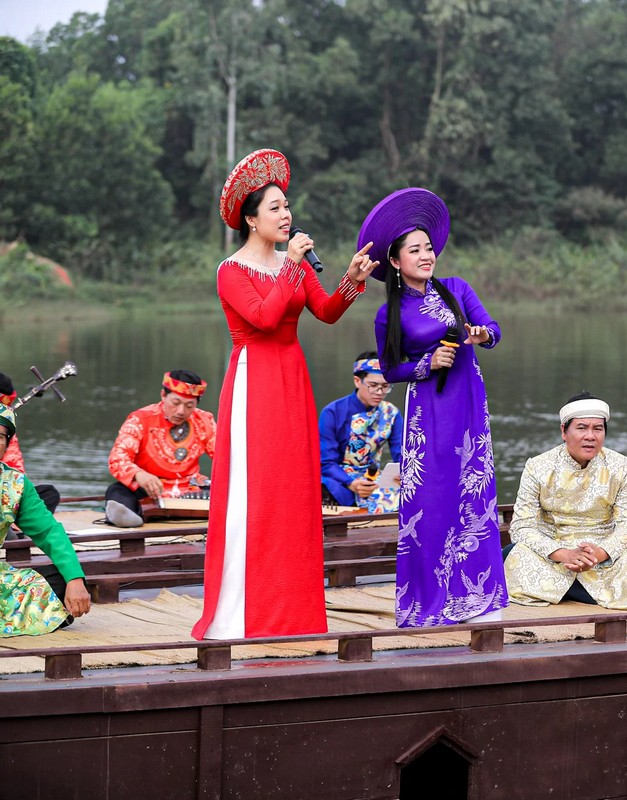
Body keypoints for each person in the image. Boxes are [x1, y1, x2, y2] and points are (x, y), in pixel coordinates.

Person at [192, 149, 379, 640]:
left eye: (287, 205)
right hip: (255, 380)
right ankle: (239, 614)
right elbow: (264, 318)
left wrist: (352, 282)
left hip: (292, 377)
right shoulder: (230, 271)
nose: (286, 214)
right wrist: (292, 266)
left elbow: (327, 310)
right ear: (251, 219)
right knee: (259, 491)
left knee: (294, 493)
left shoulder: (291, 263)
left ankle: (291, 613)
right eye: (274, 207)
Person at [361, 187, 507, 627]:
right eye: (415, 249)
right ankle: (428, 601)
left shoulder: (458, 290)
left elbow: (495, 328)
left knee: (473, 493)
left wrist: (482, 336)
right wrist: (426, 363)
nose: (426, 256)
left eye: (429, 247)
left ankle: (479, 599)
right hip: (428, 409)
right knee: (429, 496)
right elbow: (389, 369)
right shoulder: (389, 313)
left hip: (468, 404)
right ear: (395, 261)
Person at [504, 393, 627, 610]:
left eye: (597, 428)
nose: (590, 436)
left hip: (601, 557)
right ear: (564, 431)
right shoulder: (537, 466)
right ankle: (593, 592)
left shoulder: (620, 466)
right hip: (554, 556)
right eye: (582, 428)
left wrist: (599, 553)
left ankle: (559, 590)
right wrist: (564, 554)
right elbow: (521, 526)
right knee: (514, 552)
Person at [0, 405, 91, 635]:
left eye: (0, 436)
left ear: (7, 444)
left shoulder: (15, 485)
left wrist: (75, 579)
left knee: (66, 579)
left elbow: (49, 532)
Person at [104, 370, 217, 528]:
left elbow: (224, 457)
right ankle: (124, 516)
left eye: (189, 405)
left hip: (189, 487)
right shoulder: (140, 419)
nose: (181, 411)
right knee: (118, 491)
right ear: (163, 395)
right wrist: (139, 474)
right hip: (148, 487)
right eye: (175, 403)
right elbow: (117, 459)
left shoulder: (204, 421)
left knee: (219, 491)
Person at [318, 351, 402, 513]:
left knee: (412, 490)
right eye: (373, 385)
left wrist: (402, 473)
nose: (379, 392)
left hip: (373, 476)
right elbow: (326, 461)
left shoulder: (391, 413)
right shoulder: (333, 412)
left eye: (385, 386)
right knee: (322, 486)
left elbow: (401, 453)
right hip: (340, 477)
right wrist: (351, 483)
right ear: (357, 381)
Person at [0, 371, 60, 514]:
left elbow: (16, 472)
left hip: (5, 492)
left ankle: (18, 523)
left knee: (49, 493)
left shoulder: (6, 432)